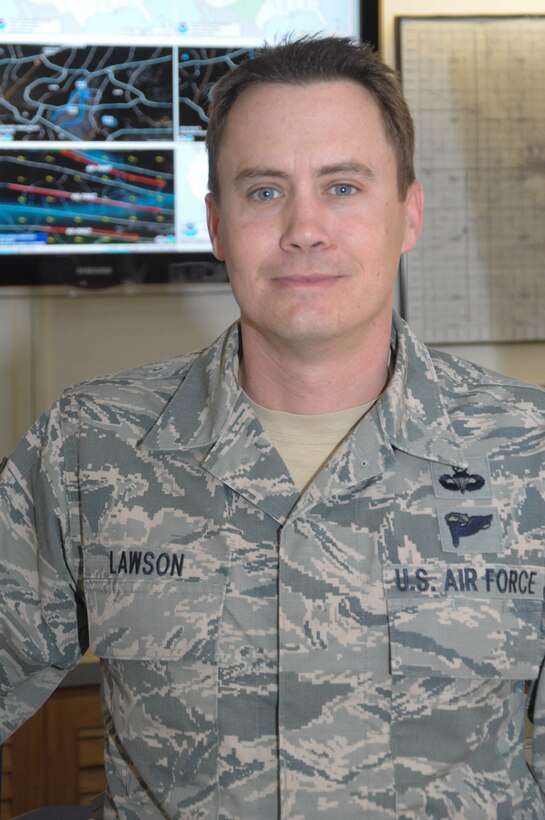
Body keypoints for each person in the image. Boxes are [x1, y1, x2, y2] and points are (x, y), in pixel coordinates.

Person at [1, 34, 544, 819]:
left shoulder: (527, 455)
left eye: (343, 187)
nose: (303, 228)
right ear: (217, 225)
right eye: (263, 191)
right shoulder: (89, 448)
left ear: (409, 213)